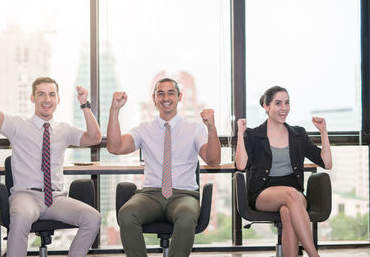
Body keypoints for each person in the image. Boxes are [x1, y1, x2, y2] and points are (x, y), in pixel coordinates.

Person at [0, 52, 102, 257]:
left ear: (58, 99)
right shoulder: (18, 126)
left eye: (51, 94)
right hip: (26, 196)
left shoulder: (64, 129)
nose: (46, 99)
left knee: (93, 218)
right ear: (32, 97)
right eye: (41, 94)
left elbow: (95, 138)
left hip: (56, 198)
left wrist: (84, 104)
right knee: (21, 217)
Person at [107, 78, 221, 257]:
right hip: (150, 195)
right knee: (127, 213)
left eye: (171, 93)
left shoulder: (195, 129)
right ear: (154, 99)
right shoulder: (144, 129)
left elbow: (213, 161)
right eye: (160, 93)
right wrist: (114, 110)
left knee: (186, 216)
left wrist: (212, 129)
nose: (165, 97)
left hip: (183, 194)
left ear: (179, 97)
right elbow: (115, 147)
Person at [235, 86, 332, 257]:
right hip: (263, 193)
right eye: (278, 103)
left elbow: (326, 163)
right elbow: (241, 165)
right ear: (266, 107)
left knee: (287, 212)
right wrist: (241, 134)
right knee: (291, 195)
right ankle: (314, 254)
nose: (284, 108)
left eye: (287, 103)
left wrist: (323, 132)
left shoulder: (298, 134)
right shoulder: (254, 135)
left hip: (294, 193)